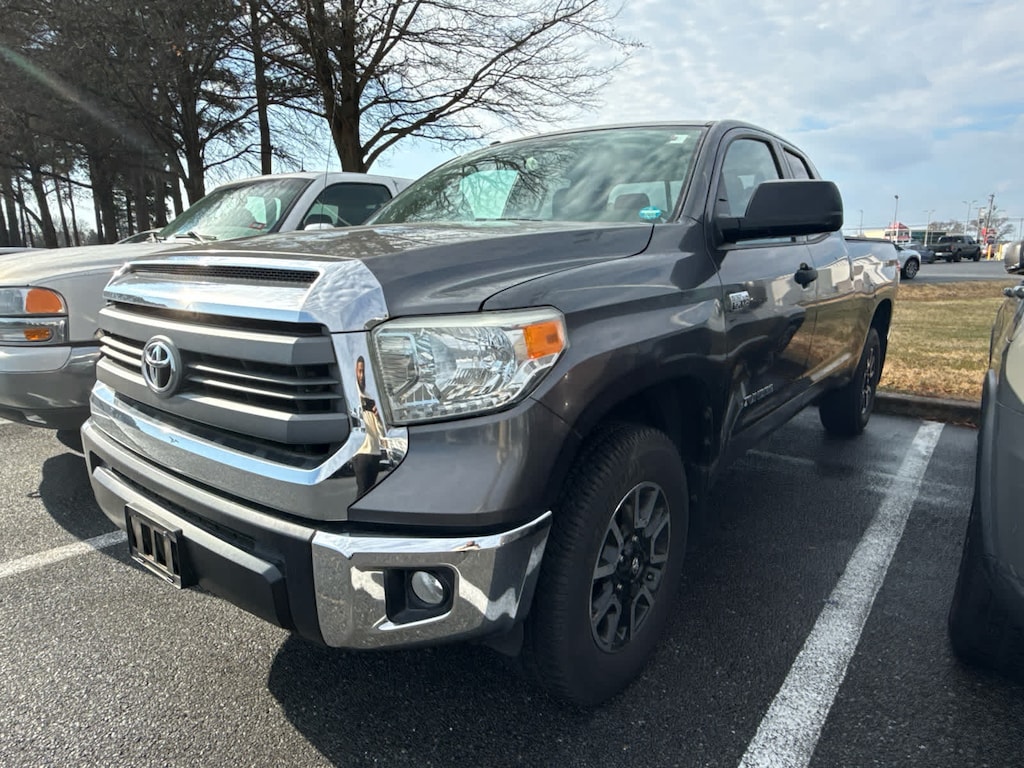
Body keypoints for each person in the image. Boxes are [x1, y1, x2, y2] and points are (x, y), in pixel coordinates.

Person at [353, 356, 383, 496]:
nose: (362, 375)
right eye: (359, 371)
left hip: (375, 453)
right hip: (362, 453)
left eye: (364, 371)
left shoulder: (370, 397)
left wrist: (378, 417)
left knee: (371, 494)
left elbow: (381, 431)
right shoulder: (353, 397)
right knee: (362, 493)